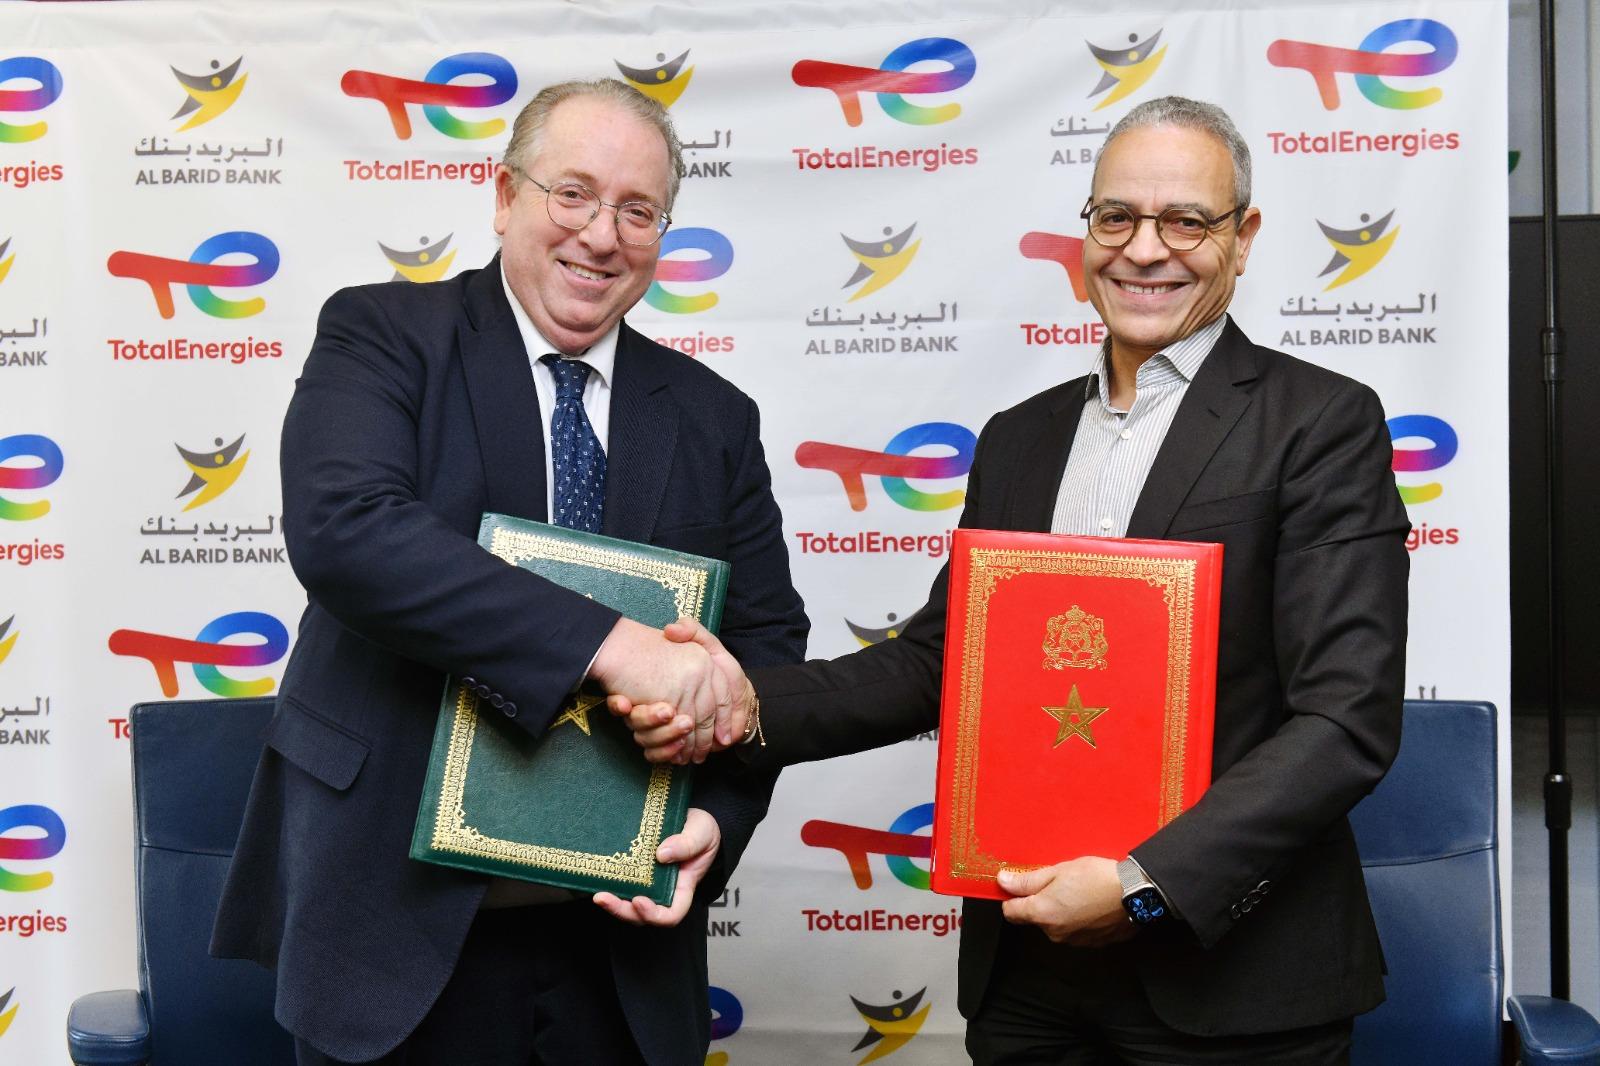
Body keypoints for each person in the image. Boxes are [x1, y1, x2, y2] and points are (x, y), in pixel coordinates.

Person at [616, 96, 1409, 1064]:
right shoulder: (1019, 439)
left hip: (1233, 987)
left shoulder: (1320, 424)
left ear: (1241, 240)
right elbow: (937, 662)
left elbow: (1344, 718)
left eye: (1185, 221)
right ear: (1086, 233)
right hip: (1029, 975)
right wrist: (739, 703)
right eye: (1116, 217)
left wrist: (1143, 885)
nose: (1144, 249)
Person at [211, 78, 808, 1066]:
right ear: (503, 196)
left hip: (617, 951)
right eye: (572, 193)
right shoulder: (382, 335)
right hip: (392, 930)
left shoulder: (714, 417)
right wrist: (615, 647)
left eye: (638, 211)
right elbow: (346, 531)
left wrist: (719, 813)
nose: (601, 235)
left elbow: (767, 644)